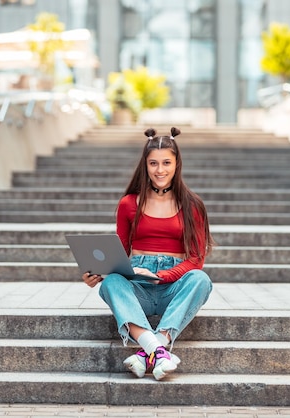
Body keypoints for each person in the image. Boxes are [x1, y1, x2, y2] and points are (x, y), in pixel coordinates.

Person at [82, 126, 215, 380]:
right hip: (138, 284)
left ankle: (149, 350)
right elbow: (118, 251)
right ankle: (158, 350)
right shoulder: (129, 204)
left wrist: (163, 275)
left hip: (173, 285)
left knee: (201, 280)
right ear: (145, 165)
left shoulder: (193, 205)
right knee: (111, 282)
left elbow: (196, 259)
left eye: (166, 162)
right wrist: (96, 273)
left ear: (177, 164)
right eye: (153, 163)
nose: (160, 170)